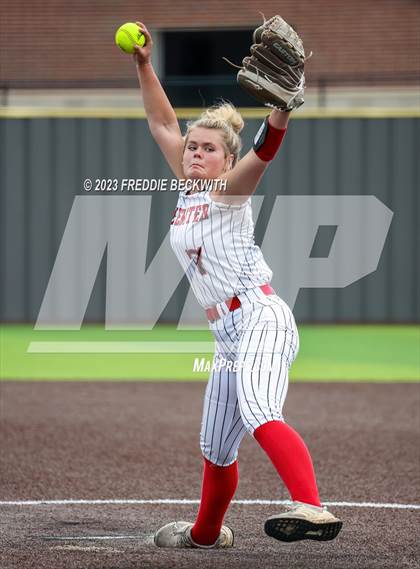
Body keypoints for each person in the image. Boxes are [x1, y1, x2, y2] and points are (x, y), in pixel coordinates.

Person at [132, 19, 343, 549]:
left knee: (257, 407)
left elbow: (266, 150)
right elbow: (161, 123)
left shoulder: (229, 191)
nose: (194, 152)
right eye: (192, 146)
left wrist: (282, 108)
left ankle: (313, 507)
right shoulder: (186, 189)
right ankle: (205, 535)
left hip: (259, 316)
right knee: (215, 444)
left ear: (226, 159)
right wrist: (141, 64)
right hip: (225, 335)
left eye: (207, 148)